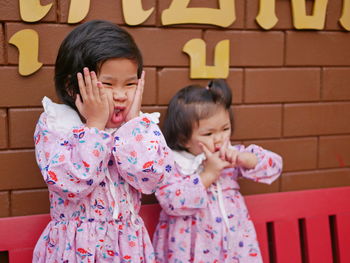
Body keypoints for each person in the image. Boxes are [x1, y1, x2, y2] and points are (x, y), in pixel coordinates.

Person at [33, 20, 175, 263]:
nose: (121, 95)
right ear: (71, 86)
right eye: (108, 84)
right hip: (76, 248)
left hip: (127, 246)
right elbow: (71, 183)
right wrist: (95, 127)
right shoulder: (57, 125)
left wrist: (133, 128)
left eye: (130, 84)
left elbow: (150, 179)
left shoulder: (140, 128)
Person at [152, 79, 283, 263]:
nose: (220, 138)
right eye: (208, 134)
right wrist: (208, 175)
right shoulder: (175, 164)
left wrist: (246, 159)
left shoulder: (231, 156)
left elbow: (275, 165)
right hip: (191, 249)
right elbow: (172, 202)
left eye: (225, 129)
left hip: (235, 246)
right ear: (183, 139)